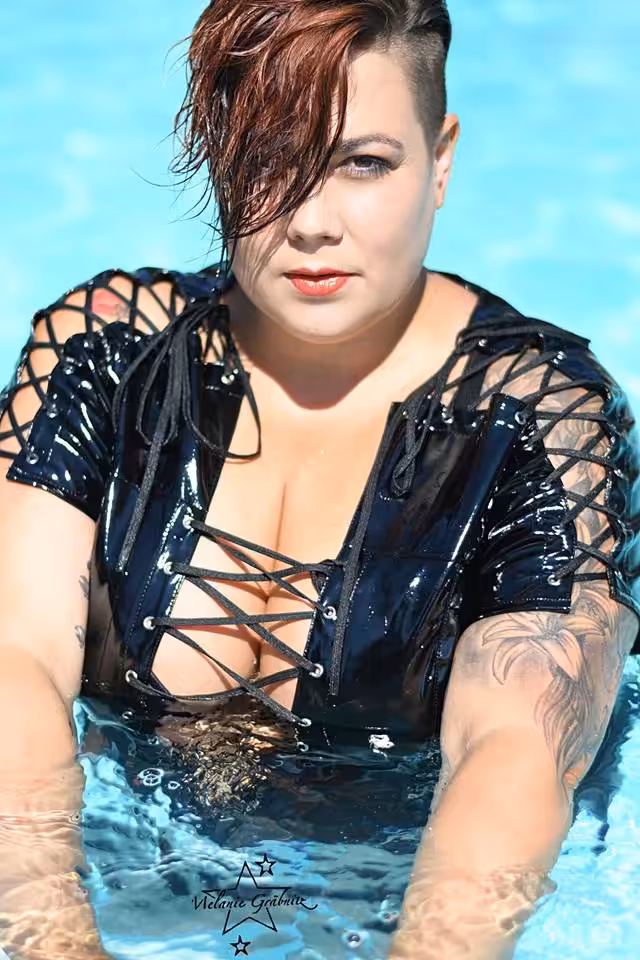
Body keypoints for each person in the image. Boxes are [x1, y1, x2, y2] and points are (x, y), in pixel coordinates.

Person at [1, 1, 639, 957]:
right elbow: (15, 659)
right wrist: (53, 939)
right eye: (267, 160)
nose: (310, 222)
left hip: (381, 894)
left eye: (364, 163)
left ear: (442, 160)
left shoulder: (538, 417)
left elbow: (515, 751)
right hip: (114, 862)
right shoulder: (109, 350)